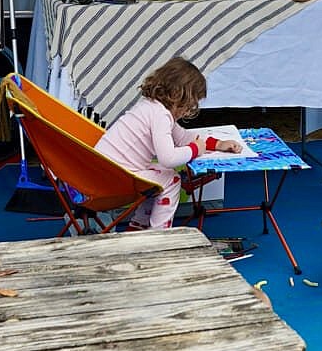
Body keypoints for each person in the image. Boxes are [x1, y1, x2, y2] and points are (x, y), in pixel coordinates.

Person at [93, 56, 243, 227]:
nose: (188, 112)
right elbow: (168, 158)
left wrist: (217, 144)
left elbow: (182, 137)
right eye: (188, 106)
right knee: (171, 180)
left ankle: (138, 226)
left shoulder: (150, 106)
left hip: (104, 172)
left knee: (159, 176)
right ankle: (160, 234)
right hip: (117, 178)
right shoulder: (161, 116)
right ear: (177, 96)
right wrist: (195, 149)